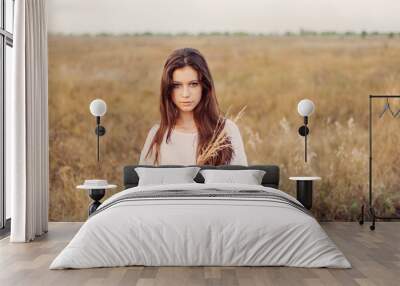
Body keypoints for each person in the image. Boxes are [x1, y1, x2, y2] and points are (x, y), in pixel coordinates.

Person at [139, 48, 248, 166]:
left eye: (193, 84)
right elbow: (145, 183)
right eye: (177, 85)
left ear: (204, 86)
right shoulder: (157, 134)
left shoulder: (227, 130)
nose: (185, 94)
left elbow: (241, 180)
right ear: (168, 89)